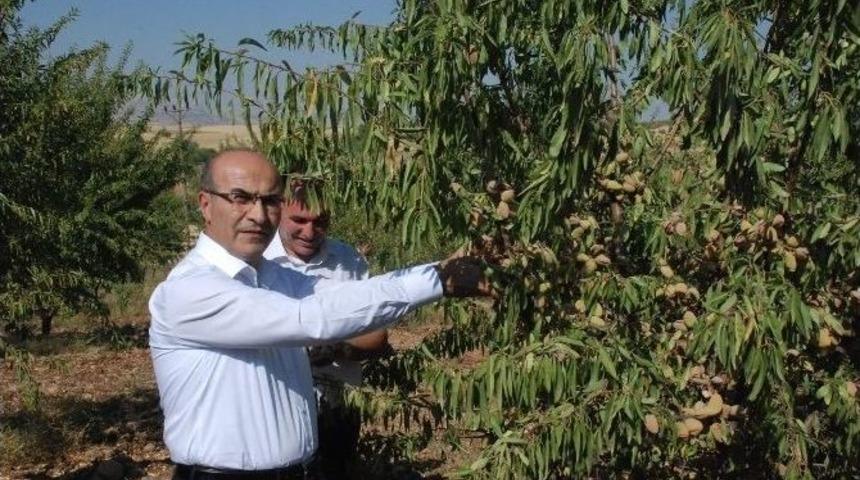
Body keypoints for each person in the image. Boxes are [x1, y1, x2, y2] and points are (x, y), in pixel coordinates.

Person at [148, 149, 486, 479]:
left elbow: (346, 299)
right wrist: (441, 279)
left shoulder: (276, 278)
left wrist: (444, 268)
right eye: (240, 198)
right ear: (206, 205)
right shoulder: (189, 291)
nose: (258, 215)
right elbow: (311, 319)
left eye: (269, 201)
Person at [263, 184, 387, 478]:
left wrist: (333, 349)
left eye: (320, 222)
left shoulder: (349, 261)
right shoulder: (258, 260)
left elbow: (378, 338)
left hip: (338, 406)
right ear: (280, 211)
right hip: (275, 406)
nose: (309, 232)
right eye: (299, 221)